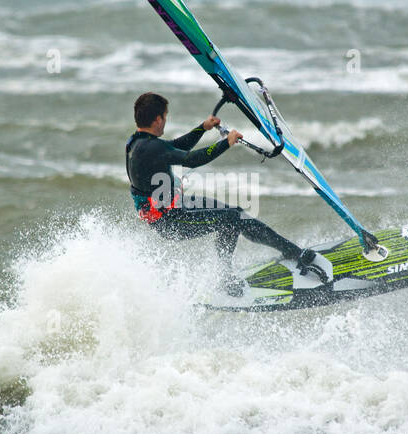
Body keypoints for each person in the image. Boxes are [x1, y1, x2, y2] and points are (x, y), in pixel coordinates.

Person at [125, 92, 331, 292]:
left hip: (176, 207)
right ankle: (232, 274)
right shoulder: (149, 148)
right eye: (165, 117)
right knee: (232, 218)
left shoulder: (138, 142)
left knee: (235, 213)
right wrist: (227, 142)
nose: (165, 121)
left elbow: (173, 146)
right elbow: (191, 159)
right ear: (158, 119)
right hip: (171, 220)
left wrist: (202, 128)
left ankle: (279, 253)